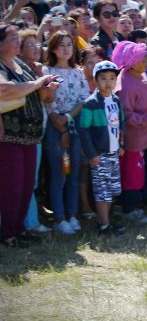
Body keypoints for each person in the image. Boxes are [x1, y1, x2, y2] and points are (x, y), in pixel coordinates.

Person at [0, 23, 59, 246]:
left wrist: (47, 90)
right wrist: (37, 83)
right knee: (10, 188)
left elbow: (44, 98)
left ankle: (20, 229)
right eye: (12, 38)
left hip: (31, 137)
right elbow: (4, 90)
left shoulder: (22, 66)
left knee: (26, 187)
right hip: (7, 139)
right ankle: (7, 234)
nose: (18, 42)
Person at [42, 31, 91, 235]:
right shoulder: (46, 71)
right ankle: (59, 217)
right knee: (59, 172)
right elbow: (46, 99)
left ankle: (72, 214)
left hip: (73, 124)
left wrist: (68, 118)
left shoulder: (78, 72)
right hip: (55, 127)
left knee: (73, 172)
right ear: (53, 48)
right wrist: (57, 120)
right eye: (61, 45)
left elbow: (82, 100)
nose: (66, 49)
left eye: (69, 45)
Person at [114, 40, 147, 224]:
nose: (146, 61)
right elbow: (125, 116)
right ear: (131, 62)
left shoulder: (139, 75)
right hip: (133, 139)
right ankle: (129, 209)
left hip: (144, 136)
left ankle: (136, 204)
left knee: (137, 174)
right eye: (142, 59)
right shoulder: (125, 83)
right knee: (131, 175)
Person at [79, 61, 127, 235]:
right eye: (103, 78)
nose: (108, 82)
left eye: (112, 78)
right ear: (96, 80)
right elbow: (83, 130)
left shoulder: (116, 100)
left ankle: (104, 220)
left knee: (113, 189)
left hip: (114, 153)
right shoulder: (91, 103)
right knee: (102, 191)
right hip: (100, 155)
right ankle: (104, 226)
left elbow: (121, 123)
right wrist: (91, 154)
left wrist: (122, 144)